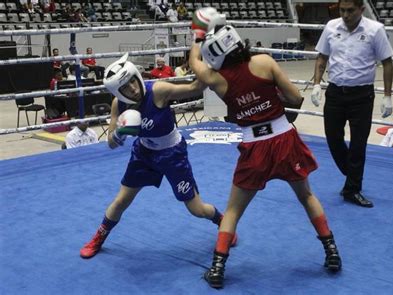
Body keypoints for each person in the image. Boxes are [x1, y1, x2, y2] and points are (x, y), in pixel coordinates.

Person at [189, 15, 341, 289]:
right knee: (306, 196)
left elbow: (194, 64)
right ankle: (331, 251)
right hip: (284, 138)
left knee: (233, 210)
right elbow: (295, 98)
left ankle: (218, 267)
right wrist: (271, 100)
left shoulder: (218, 79)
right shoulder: (264, 62)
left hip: (254, 146)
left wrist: (198, 33)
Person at [79, 53, 236, 259]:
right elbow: (110, 143)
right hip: (143, 154)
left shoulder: (158, 91)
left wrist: (210, 63)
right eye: (125, 88)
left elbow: (194, 88)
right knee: (120, 201)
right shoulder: (119, 105)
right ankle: (99, 237)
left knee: (196, 209)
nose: (133, 89)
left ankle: (222, 222)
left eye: (133, 82)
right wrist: (120, 132)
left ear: (137, 76)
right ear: (118, 92)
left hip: (172, 154)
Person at [311, 0, 393, 208]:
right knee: (332, 139)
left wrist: (387, 96)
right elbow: (322, 57)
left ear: (361, 9)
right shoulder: (331, 27)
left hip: (362, 96)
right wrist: (316, 84)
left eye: (350, 10)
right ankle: (353, 175)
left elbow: (387, 62)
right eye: (342, 10)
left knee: (358, 144)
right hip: (335, 92)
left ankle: (352, 188)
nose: (346, 15)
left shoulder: (375, 30)